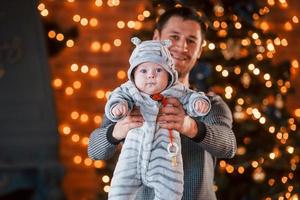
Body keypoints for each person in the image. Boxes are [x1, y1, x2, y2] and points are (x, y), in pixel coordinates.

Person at [88, 6, 237, 200]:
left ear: (199, 50)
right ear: (157, 38)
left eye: (191, 41)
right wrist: (118, 130)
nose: (182, 47)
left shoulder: (209, 104)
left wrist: (189, 126)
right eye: (174, 37)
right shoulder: (130, 99)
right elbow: (95, 150)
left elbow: (229, 146)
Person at [105, 37, 211, 200]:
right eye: (143, 71)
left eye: (158, 70)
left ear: (169, 74)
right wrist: (118, 108)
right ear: (133, 74)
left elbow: (191, 97)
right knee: (118, 192)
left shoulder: (176, 91)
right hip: (133, 155)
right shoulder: (130, 90)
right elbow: (116, 98)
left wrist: (198, 103)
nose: (151, 76)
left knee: (171, 192)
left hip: (165, 157)